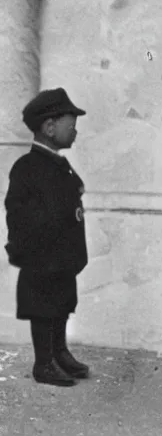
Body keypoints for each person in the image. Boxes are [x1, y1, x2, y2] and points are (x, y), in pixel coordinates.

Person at [4, 88, 89, 387]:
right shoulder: (28, 168)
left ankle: (59, 351)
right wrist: (29, 248)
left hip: (62, 256)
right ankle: (44, 363)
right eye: (70, 124)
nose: (75, 131)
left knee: (62, 303)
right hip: (42, 258)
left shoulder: (59, 165)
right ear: (49, 127)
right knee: (43, 307)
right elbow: (17, 213)